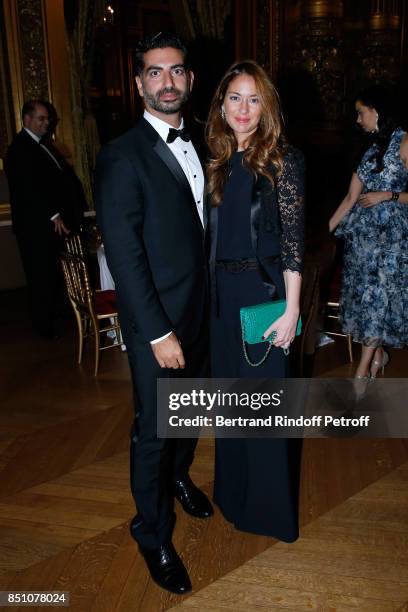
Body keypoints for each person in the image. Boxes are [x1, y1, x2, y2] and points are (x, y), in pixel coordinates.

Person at [95, 33, 212, 595]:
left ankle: (182, 477)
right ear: (140, 82)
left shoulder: (207, 143)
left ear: (189, 79)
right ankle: (151, 532)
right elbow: (124, 256)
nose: (168, 82)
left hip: (200, 315)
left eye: (177, 71)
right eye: (155, 72)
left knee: (187, 415)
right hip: (158, 326)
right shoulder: (121, 155)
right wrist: (159, 332)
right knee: (154, 431)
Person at [206, 60, 304, 541]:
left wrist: (292, 308)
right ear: (221, 106)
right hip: (221, 301)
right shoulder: (217, 162)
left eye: (254, 99)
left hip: (262, 298)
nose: (244, 109)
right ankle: (234, 496)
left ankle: (268, 513)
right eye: (235, 98)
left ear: (266, 107)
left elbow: (293, 243)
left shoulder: (282, 161)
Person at [329, 86, 408, 379]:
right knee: (366, 300)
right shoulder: (370, 149)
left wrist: (387, 195)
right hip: (363, 240)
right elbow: (350, 199)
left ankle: (361, 373)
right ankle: (379, 356)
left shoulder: (405, 141)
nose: (357, 119)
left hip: (392, 242)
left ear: (377, 111)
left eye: (361, 112)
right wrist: (325, 231)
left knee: (378, 299)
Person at [5, 100, 86, 339]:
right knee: (39, 274)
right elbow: (28, 188)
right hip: (36, 227)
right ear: (27, 120)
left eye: (47, 118)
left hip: (50, 226)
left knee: (52, 272)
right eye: (41, 119)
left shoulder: (42, 145)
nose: (46, 123)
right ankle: (43, 325)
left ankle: (56, 313)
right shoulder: (19, 148)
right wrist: (54, 214)